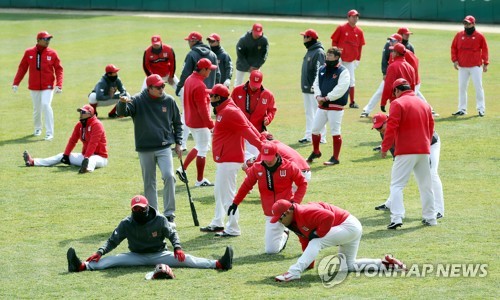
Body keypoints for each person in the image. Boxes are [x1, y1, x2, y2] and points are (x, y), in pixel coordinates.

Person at [66, 195, 233, 273]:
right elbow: (113, 240)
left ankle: (219, 264)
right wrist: (100, 252)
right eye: (135, 209)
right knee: (111, 261)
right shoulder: (126, 223)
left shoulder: (160, 219)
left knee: (187, 259)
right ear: (132, 210)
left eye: (142, 208)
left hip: (160, 254)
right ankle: (80, 266)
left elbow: (172, 233)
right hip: (135, 255)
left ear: (147, 207)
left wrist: (178, 248)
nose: (139, 211)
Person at [271, 199, 407, 282]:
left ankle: (293, 272)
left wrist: (319, 233)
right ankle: (387, 265)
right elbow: (304, 239)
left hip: (349, 226)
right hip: (350, 228)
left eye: (280, 218)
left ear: (287, 212)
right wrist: (309, 264)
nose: (279, 222)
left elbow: (328, 216)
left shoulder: (305, 211)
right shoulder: (294, 220)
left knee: (317, 241)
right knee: (348, 266)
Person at [117, 74, 183, 223]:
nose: (161, 89)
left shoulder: (169, 101)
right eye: (158, 87)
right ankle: (154, 215)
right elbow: (122, 113)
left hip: (164, 146)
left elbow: (177, 123)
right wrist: (121, 103)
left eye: (163, 86)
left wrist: (179, 143)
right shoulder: (138, 100)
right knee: (149, 182)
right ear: (149, 88)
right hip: (145, 148)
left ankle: (169, 214)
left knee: (169, 176)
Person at [200, 84, 263, 237]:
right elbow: (247, 126)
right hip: (225, 158)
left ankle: (233, 228)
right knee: (219, 192)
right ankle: (218, 222)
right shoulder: (225, 109)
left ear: (218, 98)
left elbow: (247, 129)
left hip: (229, 159)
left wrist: (262, 146)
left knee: (228, 195)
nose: (209, 97)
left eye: (212, 95)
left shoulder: (229, 111)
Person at [227, 141, 308, 253]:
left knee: (308, 233)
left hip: (289, 210)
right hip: (272, 213)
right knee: (271, 251)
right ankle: (285, 233)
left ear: (276, 154)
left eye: (270, 157)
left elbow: (302, 183)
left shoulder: (289, 167)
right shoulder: (257, 168)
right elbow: (246, 186)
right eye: (265, 157)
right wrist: (235, 203)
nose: (268, 161)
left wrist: (295, 203)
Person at [381, 78, 436, 229]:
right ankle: (430, 217)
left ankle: (397, 218)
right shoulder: (424, 103)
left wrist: (385, 147)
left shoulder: (397, 103)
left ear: (397, 90)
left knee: (397, 185)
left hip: (405, 150)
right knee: (426, 185)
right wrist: (426, 143)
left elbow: (391, 127)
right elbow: (431, 127)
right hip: (423, 150)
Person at [373, 113, 444, 220]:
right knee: (397, 177)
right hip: (414, 148)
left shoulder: (403, 124)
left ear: (387, 121)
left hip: (430, 143)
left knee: (432, 174)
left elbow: (422, 135)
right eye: (377, 128)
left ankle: (439, 210)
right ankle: (391, 202)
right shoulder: (384, 132)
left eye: (380, 127)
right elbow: (395, 154)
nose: (379, 130)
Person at [22, 104, 107, 173]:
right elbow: (72, 140)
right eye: (80, 112)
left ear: (90, 114)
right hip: (85, 156)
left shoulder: (97, 125)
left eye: (83, 112)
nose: (80, 114)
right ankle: (33, 162)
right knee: (60, 155)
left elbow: (93, 143)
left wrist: (87, 157)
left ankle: (86, 169)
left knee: (91, 160)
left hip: (100, 157)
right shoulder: (79, 125)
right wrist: (66, 154)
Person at [12, 31, 63, 141]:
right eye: (45, 39)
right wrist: (16, 82)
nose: (48, 41)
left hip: (48, 86)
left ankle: (50, 133)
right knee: (37, 109)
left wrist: (59, 84)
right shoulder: (28, 52)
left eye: (49, 39)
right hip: (34, 86)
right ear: (39, 40)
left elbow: (59, 69)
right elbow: (22, 68)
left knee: (46, 105)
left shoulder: (52, 53)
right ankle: (37, 128)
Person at [176, 58, 217, 187]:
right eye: (209, 69)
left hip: (190, 119)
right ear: (203, 70)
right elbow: (203, 109)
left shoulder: (190, 79)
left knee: (200, 146)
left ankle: (182, 169)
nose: (210, 71)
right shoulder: (199, 84)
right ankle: (199, 180)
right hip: (199, 122)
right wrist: (211, 125)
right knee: (203, 148)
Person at [176, 31, 220, 151]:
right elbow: (218, 74)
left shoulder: (191, 54)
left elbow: (185, 73)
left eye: (189, 41)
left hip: (193, 90)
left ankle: (182, 144)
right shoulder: (213, 54)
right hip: (209, 93)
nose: (188, 43)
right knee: (205, 115)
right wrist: (216, 91)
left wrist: (179, 86)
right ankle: (205, 143)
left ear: (194, 41)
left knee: (186, 117)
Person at [306, 47, 350, 166]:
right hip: (322, 106)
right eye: (327, 55)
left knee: (335, 132)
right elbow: (316, 84)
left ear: (337, 57)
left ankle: (335, 157)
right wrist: (318, 97)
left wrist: (326, 98)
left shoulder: (343, 71)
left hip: (336, 107)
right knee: (315, 130)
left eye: (330, 55)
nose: (328, 57)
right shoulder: (322, 69)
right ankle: (316, 151)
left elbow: (341, 88)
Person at [232, 70, 277, 161]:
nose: (254, 87)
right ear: (249, 79)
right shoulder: (237, 91)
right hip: (239, 130)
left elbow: (272, 110)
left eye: (257, 84)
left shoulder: (268, 95)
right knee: (235, 158)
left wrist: (268, 118)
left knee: (255, 159)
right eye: (253, 84)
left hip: (256, 132)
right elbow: (231, 107)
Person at [451, 15, 489, 117]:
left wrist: (486, 63)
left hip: (475, 67)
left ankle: (481, 108)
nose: (466, 25)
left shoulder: (480, 36)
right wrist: (454, 60)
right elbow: (454, 48)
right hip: (462, 67)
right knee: (462, 88)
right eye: (465, 23)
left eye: (468, 23)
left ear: (473, 24)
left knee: (478, 87)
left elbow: (485, 49)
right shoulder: (459, 35)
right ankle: (462, 109)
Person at [245, 132, 312, 185]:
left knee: (266, 173)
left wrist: (246, 167)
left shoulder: (268, 148)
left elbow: (254, 171)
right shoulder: (280, 144)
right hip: (306, 174)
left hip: (295, 176)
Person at [330, 9, 365, 109]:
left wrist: (358, 59)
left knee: (351, 81)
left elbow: (360, 47)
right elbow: (334, 41)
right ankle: (331, 98)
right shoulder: (341, 28)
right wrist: (335, 55)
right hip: (339, 59)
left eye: (356, 16)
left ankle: (352, 102)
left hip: (350, 61)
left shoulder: (359, 31)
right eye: (353, 16)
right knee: (335, 78)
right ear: (348, 17)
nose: (355, 18)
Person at [360, 34, 400, 118]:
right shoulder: (390, 48)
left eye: (393, 41)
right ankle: (367, 110)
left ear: (399, 42)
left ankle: (428, 109)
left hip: (401, 78)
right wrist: (385, 73)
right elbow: (385, 60)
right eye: (390, 40)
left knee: (410, 94)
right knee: (380, 91)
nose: (390, 42)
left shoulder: (403, 51)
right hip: (390, 76)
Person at [298, 29, 327, 144]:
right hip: (306, 88)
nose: (303, 39)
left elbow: (319, 71)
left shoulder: (318, 52)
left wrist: (316, 87)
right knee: (309, 113)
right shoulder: (310, 50)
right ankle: (309, 135)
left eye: (304, 36)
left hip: (313, 89)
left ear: (310, 38)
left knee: (318, 113)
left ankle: (322, 137)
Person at [380, 43, 416, 112]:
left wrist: (383, 102)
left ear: (396, 53)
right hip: (408, 101)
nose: (391, 53)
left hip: (396, 101)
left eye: (393, 51)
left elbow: (388, 86)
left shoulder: (392, 66)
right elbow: (413, 85)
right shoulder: (411, 68)